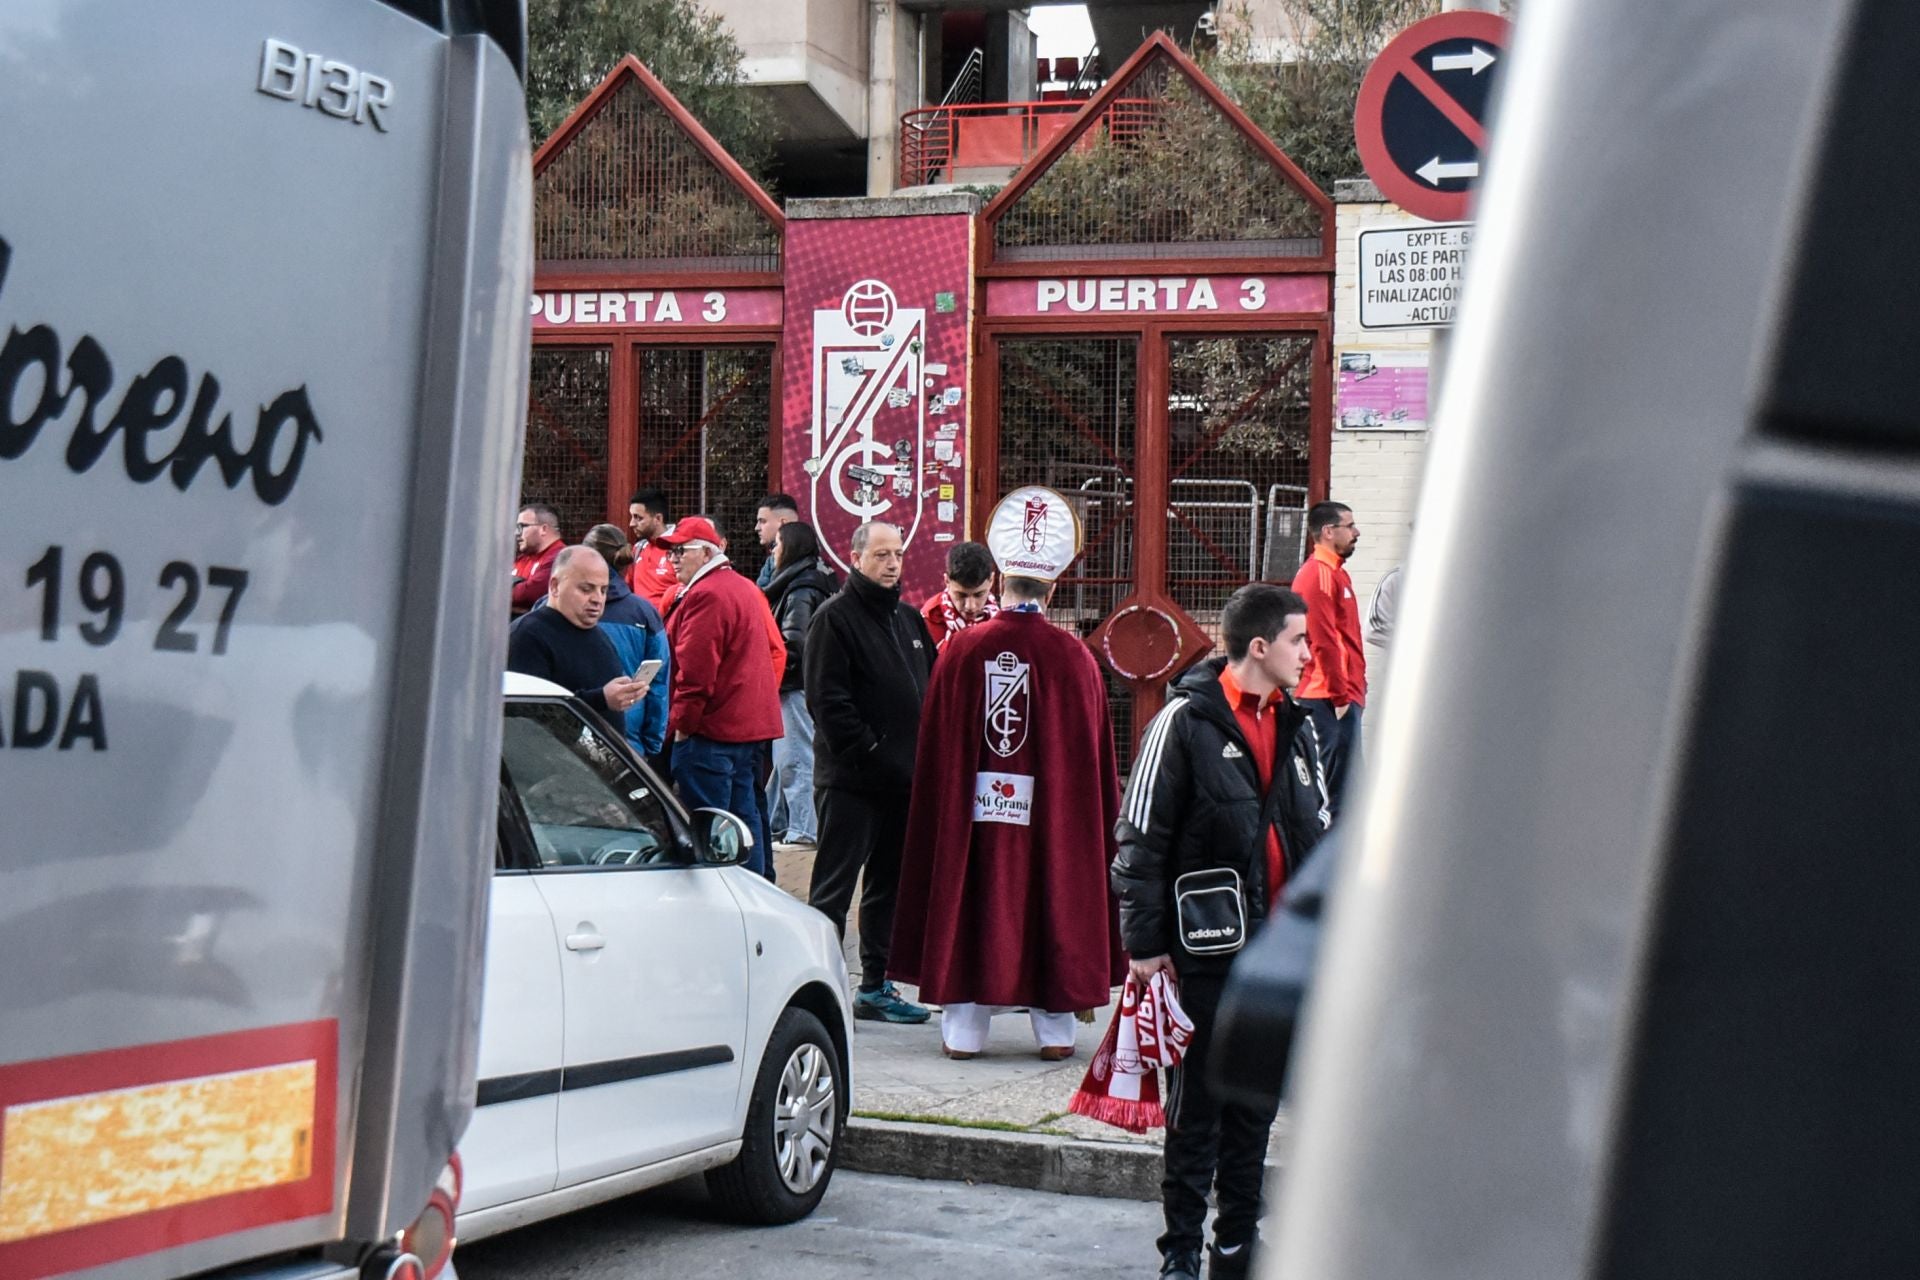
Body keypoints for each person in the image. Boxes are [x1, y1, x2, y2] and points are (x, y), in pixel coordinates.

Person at [1111, 583, 1330, 1280]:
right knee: (1198, 1111)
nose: (1308, 652)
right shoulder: (1183, 721)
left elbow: (1319, 835)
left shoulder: (1299, 726)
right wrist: (1145, 945)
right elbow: (1139, 839)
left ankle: (1237, 1242)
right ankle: (1179, 1253)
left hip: (1274, 957)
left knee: (1254, 1111)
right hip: (1201, 955)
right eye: (1299, 640)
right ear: (1259, 647)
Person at [890, 486, 1125, 1060]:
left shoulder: (963, 652)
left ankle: (965, 1032)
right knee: (1053, 892)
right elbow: (1093, 756)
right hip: (1050, 812)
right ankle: (1055, 1033)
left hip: (973, 808)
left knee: (971, 895)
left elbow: (938, 746)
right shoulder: (1075, 658)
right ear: (1052, 585)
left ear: (1000, 578)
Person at [805, 520, 935, 1024]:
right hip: (852, 782)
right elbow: (828, 702)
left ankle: (876, 986)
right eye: (881, 554)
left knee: (888, 889)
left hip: (903, 785)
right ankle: (818, 982)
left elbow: (931, 687)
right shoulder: (833, 619)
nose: (891, 563)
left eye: (897, 554)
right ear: (855, 558)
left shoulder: (908, 619)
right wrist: (871, 749)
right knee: (833, 890)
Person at [657, 515, 785, 879]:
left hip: (711, 732)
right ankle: (755, 893)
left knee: (712, 828)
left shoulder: (707, 594)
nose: (673, 559)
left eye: (681, 551)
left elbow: (696, 675)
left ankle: (725, 897)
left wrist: (683, 726)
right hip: (745, 730)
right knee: (745, 821)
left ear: (706, 552)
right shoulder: (741, 587)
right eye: (672, 552)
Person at [506, 545, 647, 723]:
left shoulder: (599, 635)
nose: (597, 599)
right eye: (586, 589)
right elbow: (526, 717)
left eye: (603, 590)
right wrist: (601, 700)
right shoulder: (528, 636)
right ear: (555, 586)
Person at [1289, 501, 1366, 818]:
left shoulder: (1335, 574)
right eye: (1349, 526)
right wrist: (1340, 696)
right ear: (1328, 531)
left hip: (1341, 695)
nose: (1356, 532)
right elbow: (1323, 641)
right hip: (1328, 698)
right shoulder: (1318, 576)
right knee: (1338, 796)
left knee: (1349, 789)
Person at [763, 522, 836, 850]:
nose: (772, 551)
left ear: (790, 547)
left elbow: (796, 642)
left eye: (777, 544)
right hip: (801, 683)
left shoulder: (800, 587)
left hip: (794, 684)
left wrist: (774, 674)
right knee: (785, 759)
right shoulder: (814, 578)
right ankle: (776, 824)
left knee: (795, 757)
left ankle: (804, 830)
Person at [582, 523, 670, 759]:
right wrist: (652, 742)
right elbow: (657, 680)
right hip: (628, 735)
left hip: (570, 729)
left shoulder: (557, 605)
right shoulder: (644, 612)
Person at [919, 540, 1000, 652]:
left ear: (991, 580)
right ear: (946, 580)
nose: (970, 606)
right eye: (961, 595)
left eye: (979, 595)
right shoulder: (927, 621)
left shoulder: (1004, 617)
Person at [626, 487, 680, 615]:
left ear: (658, 519)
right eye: (632, 517)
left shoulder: (680, 550)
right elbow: (627, 589)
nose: (631, 523)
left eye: (638, 518)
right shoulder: (638, 549)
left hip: (667, 629)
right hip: (640, 627)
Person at [511, 503, 563, 615]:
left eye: (522, 526)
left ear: (543, 529)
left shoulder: (560, 558)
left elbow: (529, 594)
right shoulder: (523, 559)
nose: (517, 533)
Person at [753, 492, 800, 589]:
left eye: (763, 521)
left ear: (783, 523)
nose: (756, 528)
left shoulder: (799, 564)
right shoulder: (772, 561)